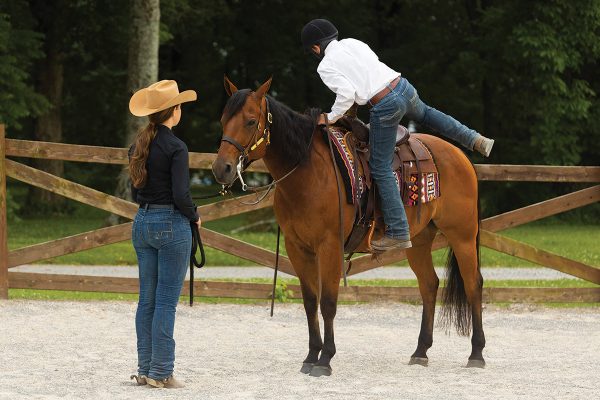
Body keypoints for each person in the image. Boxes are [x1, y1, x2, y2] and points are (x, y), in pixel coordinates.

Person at [301, 19, 494, 252]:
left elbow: (347, 93)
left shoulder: (325, 66)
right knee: (429, 114)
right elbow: (367, 72)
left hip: (384, 105)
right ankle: (475, 139)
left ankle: (399, 230)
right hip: (402, 86)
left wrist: (330, 117)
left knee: (379, 165)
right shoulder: (353, 43)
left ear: (315, 48)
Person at [127, 80, 200, 389]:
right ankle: (161, 372)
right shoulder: (176, 147)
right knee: (166, 302)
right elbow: (182, 195)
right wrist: (195, 216)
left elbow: (135, 191)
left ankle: (145, 368)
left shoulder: (138, 145)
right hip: (171, 224)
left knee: (148, 301)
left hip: (141, 222)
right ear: (175, 110)